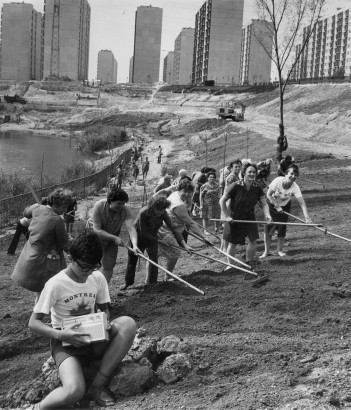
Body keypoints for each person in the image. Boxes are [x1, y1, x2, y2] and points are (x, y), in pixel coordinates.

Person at [28, 231, 137, 409]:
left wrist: (104, 321)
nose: (88, 272)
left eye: (94, 266)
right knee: (74, 391)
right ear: (71, 258)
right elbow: (34, 322)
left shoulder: (97, 277)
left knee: (128, 324)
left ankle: (97, 385)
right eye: (84, 266)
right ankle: (36, 408)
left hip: (93, 337)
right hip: (66, 343)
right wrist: (62, 335)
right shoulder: (56, 284)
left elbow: (104, 309)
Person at [11, 188, 73, 300]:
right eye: (63, 207)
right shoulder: (57, 220)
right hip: (45, 260)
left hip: (30, 254)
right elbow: (64, 244)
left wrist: (36, 206)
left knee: (41, 290)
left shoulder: (38, 209)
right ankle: (40, 313)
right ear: (55, 204)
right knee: (46, 288)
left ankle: (39, 311)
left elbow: (26, 212)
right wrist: (72, 246)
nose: (65, 210)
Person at [122, 196, 192, 290]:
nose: (161, 213)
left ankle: (152, 285)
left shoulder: (163, 212)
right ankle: (128, 283)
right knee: (132, 260)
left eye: (163, 210)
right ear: (153, 207)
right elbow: (144, 232)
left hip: (153, 237)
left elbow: (173, 228)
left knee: (154, 259)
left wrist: (184, 244)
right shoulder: (144, 212)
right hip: (138, 237)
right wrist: (159, 241)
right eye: (159, 210)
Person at [219, 163, 271, 267]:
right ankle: (231, 265)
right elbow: (222, 201)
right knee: (232, 243)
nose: (252, 174)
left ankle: (248, 262)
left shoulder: (257, 188)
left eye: (254, 172)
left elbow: (264, 203)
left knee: (253, 240)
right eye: (249, 172)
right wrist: (227, 216)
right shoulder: (235, 186)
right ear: (244, 173)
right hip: (234, 218)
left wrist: (267, 214)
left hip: (249, 217)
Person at [158, 179, 212, 276]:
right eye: (184, 191)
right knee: (174, 253)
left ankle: (165, 276)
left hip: (176, 228)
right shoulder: (177, 203)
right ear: (179, 190)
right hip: (166, 230)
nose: (187, 194)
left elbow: (188, 216)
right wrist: (204, 237)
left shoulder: (182, 197)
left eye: (189, 192)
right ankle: (167, 277)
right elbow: (190, 223)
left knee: (172, 253)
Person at [260, 164, 312, 258]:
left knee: (282, 228)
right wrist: (276, 205)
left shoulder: (295, 187)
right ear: (286, 174)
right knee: (268, 227)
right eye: (291, 173)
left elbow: (302, 203)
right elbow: (268, 195)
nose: (293, 176)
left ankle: (279, 250)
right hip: (271, 205)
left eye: (296, 175)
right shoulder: (278, 181)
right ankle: (266, 251)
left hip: (284, 207)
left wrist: (306, 217)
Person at [91, 188, 139, 283]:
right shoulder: (99, 206)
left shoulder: (125, 210)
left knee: (109, 265)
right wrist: (114, 238)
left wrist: (135, 245)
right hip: (95, 240)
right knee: (91, 265)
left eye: (123, 203)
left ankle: (103, 291)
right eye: (118, 203)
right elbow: (96, 230)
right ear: (110, 201)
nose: (121, 206)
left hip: (112, 241)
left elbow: (131, 228)